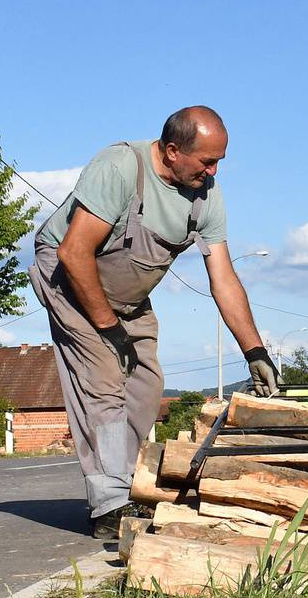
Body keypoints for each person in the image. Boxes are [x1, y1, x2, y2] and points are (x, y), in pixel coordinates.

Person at [31, 106, 280, 539]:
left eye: (219, 160)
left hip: (124, 295)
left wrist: (254, 351)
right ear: (170, 151)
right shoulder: (121, 168)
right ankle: (109, 504)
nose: (214, 170)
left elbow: (223, 278)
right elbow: (74, 253)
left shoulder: (206, 194)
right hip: (68, 277)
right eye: (206, 160)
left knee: (146, 385)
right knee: (104, 381)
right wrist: (108, 329)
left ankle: (126, 483)